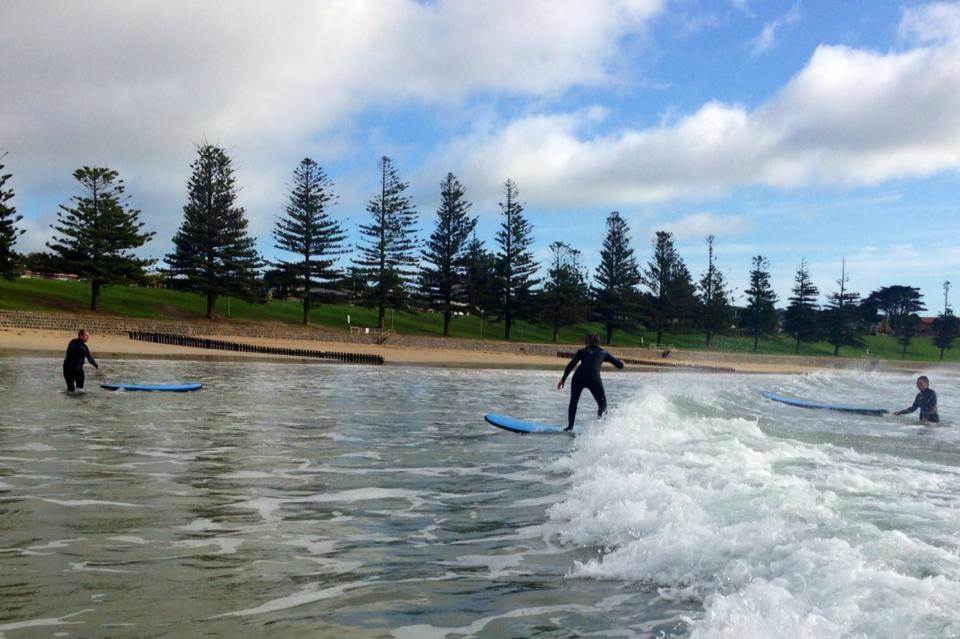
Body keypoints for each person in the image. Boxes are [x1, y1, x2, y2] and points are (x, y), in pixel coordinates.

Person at [557, 333, 624, 431]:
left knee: (574, 402)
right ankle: (600, 428)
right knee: (602, 404)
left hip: (578, 377)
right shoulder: (604, 352)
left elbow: (571, 365)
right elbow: (619, 366)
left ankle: (569, 426)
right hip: (593, 379)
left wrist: (563, 379)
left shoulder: (581, 351)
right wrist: (622, 363)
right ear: (598, 342)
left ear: (588, 341)